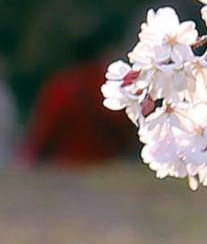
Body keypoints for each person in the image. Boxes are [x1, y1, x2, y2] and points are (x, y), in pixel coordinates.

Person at [26, 21, 142, 167]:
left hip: (65, 167)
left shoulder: (59, 86)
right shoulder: (111, 85)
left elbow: (43, 133)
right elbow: (127, 129)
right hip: (108, 166)